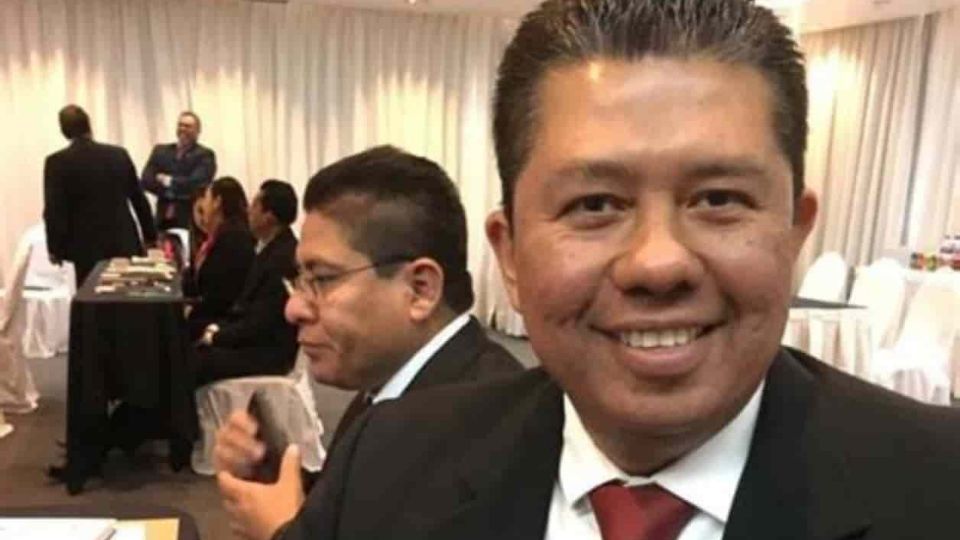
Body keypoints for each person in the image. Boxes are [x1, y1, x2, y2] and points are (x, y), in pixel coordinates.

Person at [220, 1, 960, 539]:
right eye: (595, 204)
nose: (659, 263)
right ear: (510, 254)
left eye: (718, 199)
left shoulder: (938, 487)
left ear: (794, 232)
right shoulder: (389, 461)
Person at [213, 146, 523, 538]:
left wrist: (282, 532)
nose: (293, 308)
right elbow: (359, 505)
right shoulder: (391, 386)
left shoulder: (484, 428)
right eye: (300, 280)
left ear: (420, 290)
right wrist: (275, 482)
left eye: (322, 279)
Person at [193, 180, 300, 387]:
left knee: (194, 361)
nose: (249, 211)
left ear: (269, 216)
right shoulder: (270, 249)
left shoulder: (282, 259)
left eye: (255, 205)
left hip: (268, 353)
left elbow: (261, 322)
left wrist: (216, 335)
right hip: (253, 340)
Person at [43, 105, 158, 287]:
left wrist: (55, 248)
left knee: (91, 296)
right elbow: (138, 198)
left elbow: (54, 210)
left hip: (85, 246)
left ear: (64, 131)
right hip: (123, 239)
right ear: (89, 126)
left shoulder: (57, 162)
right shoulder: (118, 155)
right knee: (127, 293)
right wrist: (150, 236)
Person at [185, 177, 255, 341]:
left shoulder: (233, 238)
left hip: (223, 321)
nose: (203, 207)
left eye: (206, 198)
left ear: (217, 202)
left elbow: (220, 293)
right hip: (213, 312)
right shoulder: (222, 234)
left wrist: (190, 311)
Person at [141, 111, 217, 230]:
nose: (182, 129)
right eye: (180, 125)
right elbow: (146, 180)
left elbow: (197, 183)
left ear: (198, 131)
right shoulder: (161, 151)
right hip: (162, 218)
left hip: (190, 220)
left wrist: (168, 180)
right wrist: (178, 189)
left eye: (188, 126)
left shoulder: (205, 155)